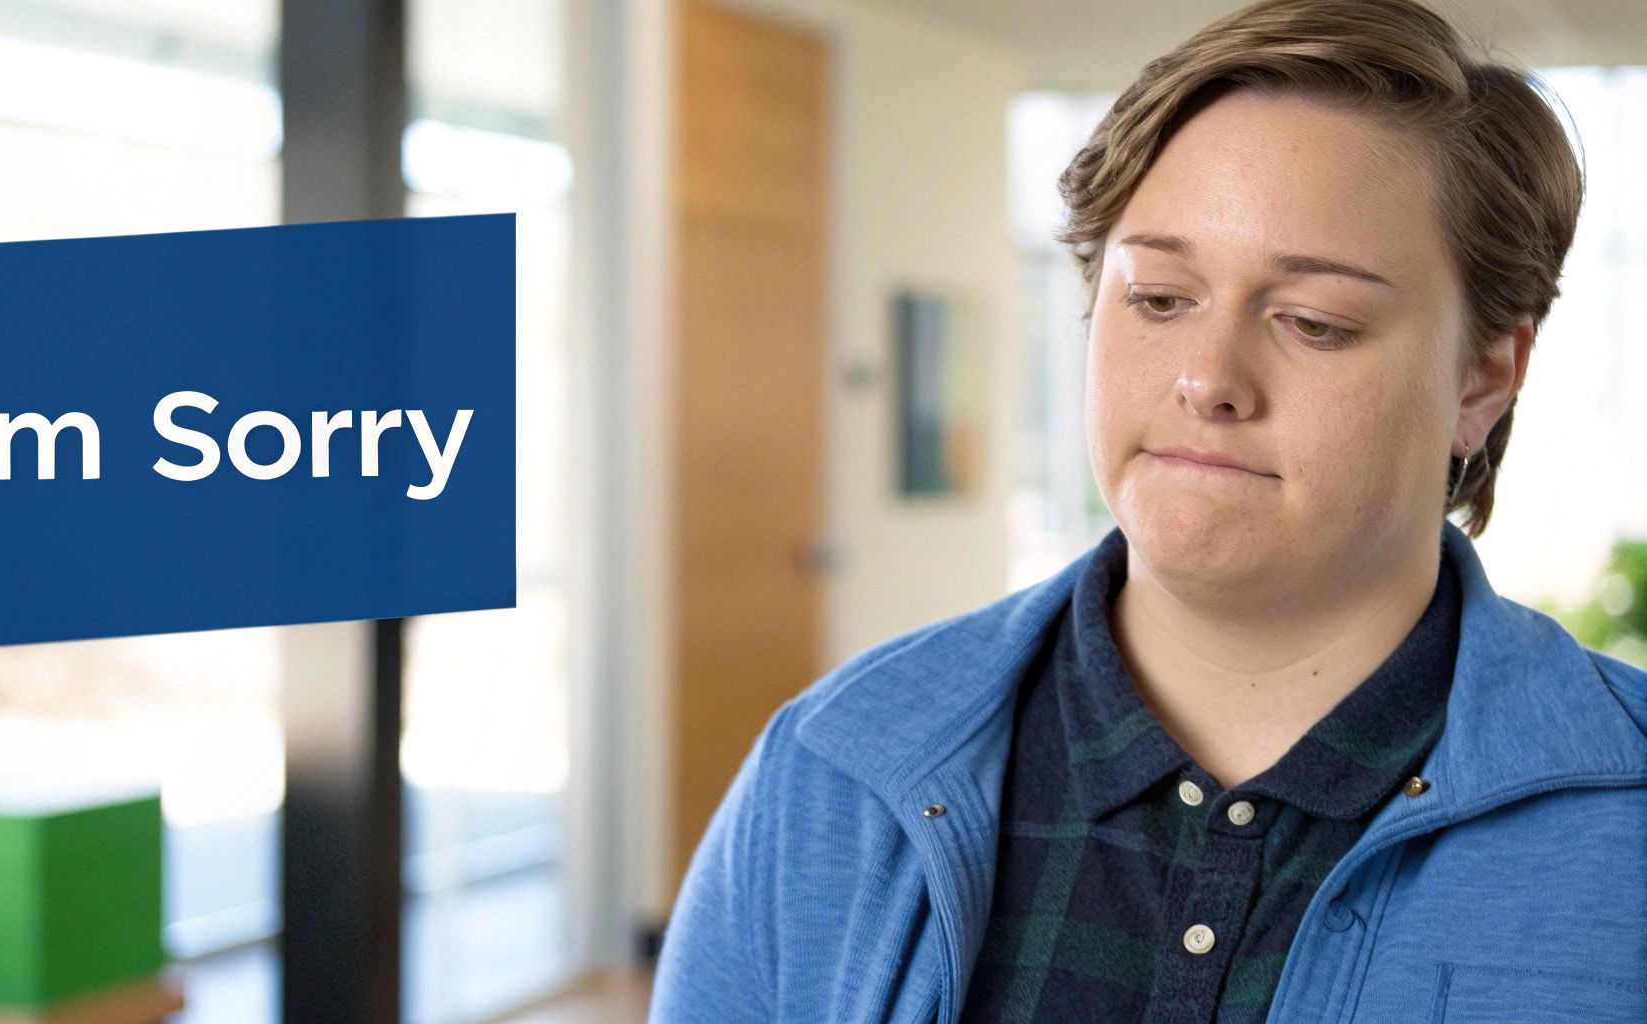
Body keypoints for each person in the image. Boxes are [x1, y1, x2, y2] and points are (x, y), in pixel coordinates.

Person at [649, 0, 1647, 1022]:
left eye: (1312, 321)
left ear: (1481, 378)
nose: (1205, 379)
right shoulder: (829, 774)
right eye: (1158, 300)